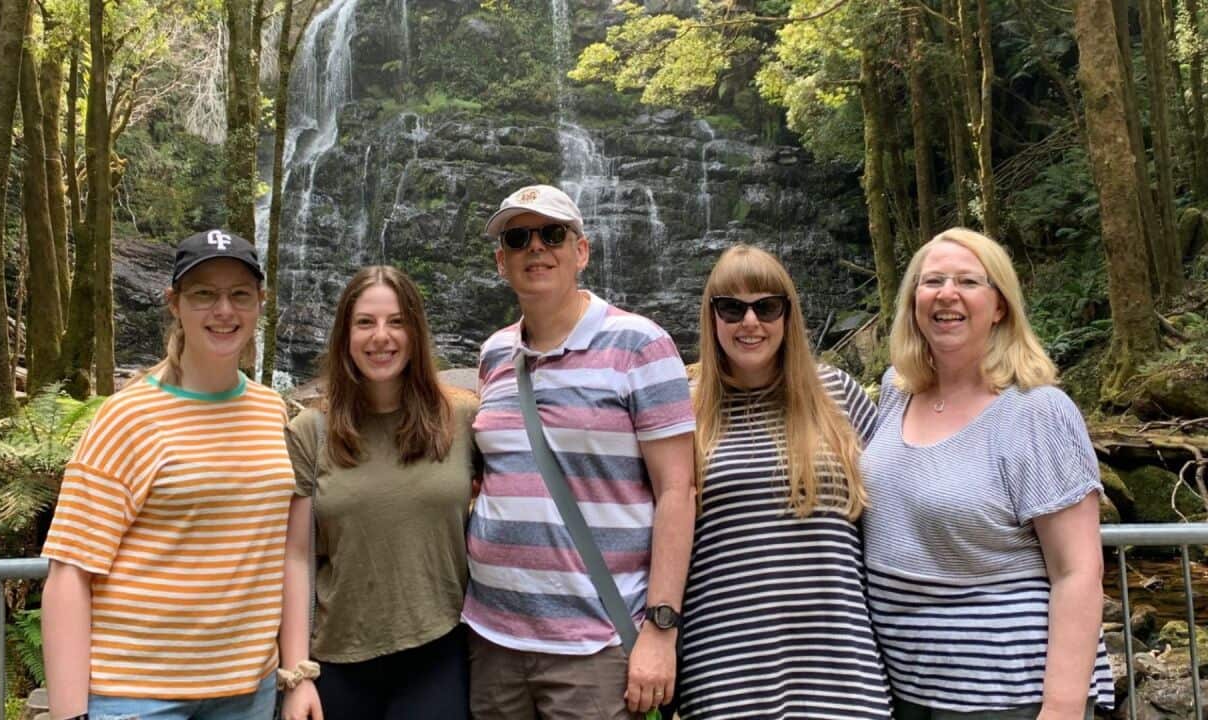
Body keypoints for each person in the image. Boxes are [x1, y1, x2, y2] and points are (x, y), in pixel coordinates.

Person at [41, 229, 297, 720]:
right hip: (136, 695)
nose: (224, 310)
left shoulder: (272, 411)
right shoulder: (128, 416)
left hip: (249, 690)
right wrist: (70, 714)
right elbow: (69, 571)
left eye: (239, 294)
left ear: (260, 304)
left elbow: (285, 549)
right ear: (174, 303)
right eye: (204, 294)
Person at [860, 228, 1115, 718]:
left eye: (968, 281)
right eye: (931, 280)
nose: (947, 293)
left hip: (1007, 695)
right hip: (908, 688)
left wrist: (1061, 708)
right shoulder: (898, 392)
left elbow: (1079, 571)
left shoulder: (1036, 411)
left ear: (1000, 306)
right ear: (914, 300)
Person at [464, 184, 696, 719]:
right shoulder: (495, 353)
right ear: (502, 261)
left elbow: (677, 493)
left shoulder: (642, 344)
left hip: (596, 645)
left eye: (552, 234)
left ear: (581, 251)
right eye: (519, 238)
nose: (536, 248)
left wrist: (661, 632)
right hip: (494, 639)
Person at [677, 244, 892, 719]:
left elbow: (895, 514)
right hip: (723, 670)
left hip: (842, 666)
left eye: (766, 306)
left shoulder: (837, 394)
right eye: (731, 308)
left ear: (787, 315)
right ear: (711, 317)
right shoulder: (682, 411)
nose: (749, 321)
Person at [278, 265, 479, 720]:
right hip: (338, 659)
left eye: (396, 322)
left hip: (439, 652)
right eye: (365, 322)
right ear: (345, 335)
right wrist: (296, 674)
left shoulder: (462, 420)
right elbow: (296, 556)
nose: (380, 337)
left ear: (416, 331)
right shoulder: (310, 432)